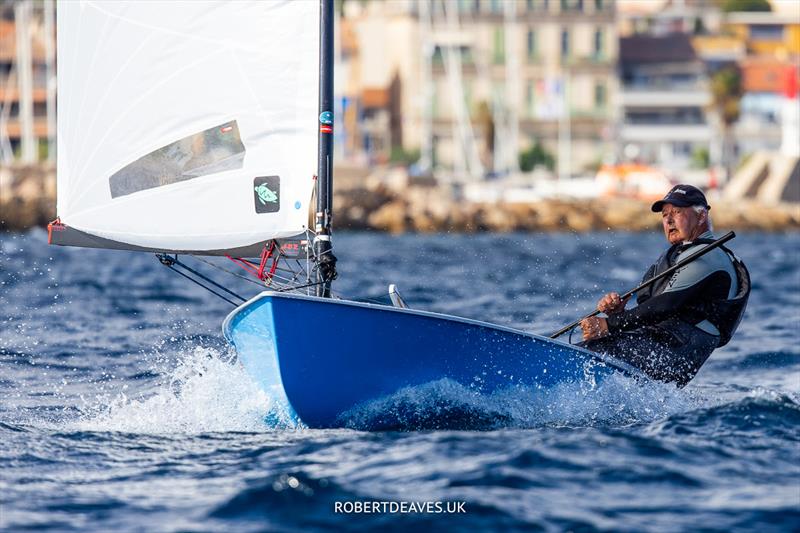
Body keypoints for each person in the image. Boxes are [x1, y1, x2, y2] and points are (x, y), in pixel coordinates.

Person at [580, 184, 750, 387]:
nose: (668, 220)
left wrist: (609, 325)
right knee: (589, 348)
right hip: (665, 342)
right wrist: (618, 314)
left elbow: (667, 305)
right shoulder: (680, 254)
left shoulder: (710, 256)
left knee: (589, 352)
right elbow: (654, 312)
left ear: (702, 216)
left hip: (679, 350)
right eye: (664, 215)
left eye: (677, 212)